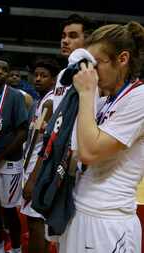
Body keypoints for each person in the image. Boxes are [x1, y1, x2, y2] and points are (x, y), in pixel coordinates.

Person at [59, 21, 144, 253]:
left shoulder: (140, 97)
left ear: (123, 59)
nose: (91, 72)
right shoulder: (105, 100)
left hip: (109, 220)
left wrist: (87, 92)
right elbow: (75, 149)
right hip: (79, 209)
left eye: (97, 64)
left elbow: (89, 153)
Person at [0, 59, 28, 253]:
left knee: (9, 210)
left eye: (4, 69)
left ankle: (16, 248)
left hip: (8, 162)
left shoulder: (16, 97)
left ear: (9, 74)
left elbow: (22, 133)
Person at [20, 58, 60, 253]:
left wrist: (33, 179)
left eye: (43, 76)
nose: (37, 79)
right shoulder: (40, 101)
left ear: (53, 80)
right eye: (36, 75)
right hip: (34, 168)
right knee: (37, 224)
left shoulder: (51, 102)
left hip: (39, 171)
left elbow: (48, 146)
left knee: (35, 223)